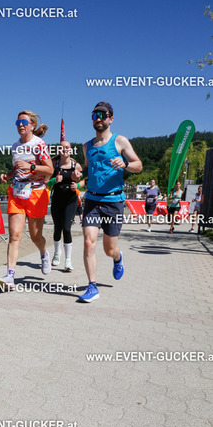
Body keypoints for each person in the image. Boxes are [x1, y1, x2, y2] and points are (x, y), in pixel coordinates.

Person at [79, 102, 142, 303]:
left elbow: (138, 165)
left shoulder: (120, 141)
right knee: (88, 242)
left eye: (102, 115)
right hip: (92, 200)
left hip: (113, 202)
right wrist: (79, 177)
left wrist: (125, 163)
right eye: (95, 115)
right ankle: (92, 286)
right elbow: (87, 172)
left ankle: (117, 257)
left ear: (111, 118)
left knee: (109, 249)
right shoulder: (86, 146)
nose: (98, 118)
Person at [0, 110, 53, 290]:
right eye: (18, 122)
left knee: (36, 236)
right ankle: (10, 276)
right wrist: (8, 175)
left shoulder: (39, 144)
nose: (20, 125)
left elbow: (50, 170)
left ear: (32, 125)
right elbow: (17, 167)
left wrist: (31, 166)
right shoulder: (15, 146)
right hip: (17, 193)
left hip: (36, 194)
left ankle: (44, 253)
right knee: (14, 235)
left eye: (24, 122)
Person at [48, 141, 84, 272]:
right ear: (58, 150)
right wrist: (54, 180)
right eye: (62, 147)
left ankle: (68, 260)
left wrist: (78, 185)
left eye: (67, 147)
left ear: (71, 150)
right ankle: (57, 253)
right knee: (57, 228)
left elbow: (83, 180)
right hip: (57, 200)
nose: (64, 149)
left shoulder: (76, 165)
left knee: (67, 229)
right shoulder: (53, 165)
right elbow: (46, 183)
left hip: (71, 201)